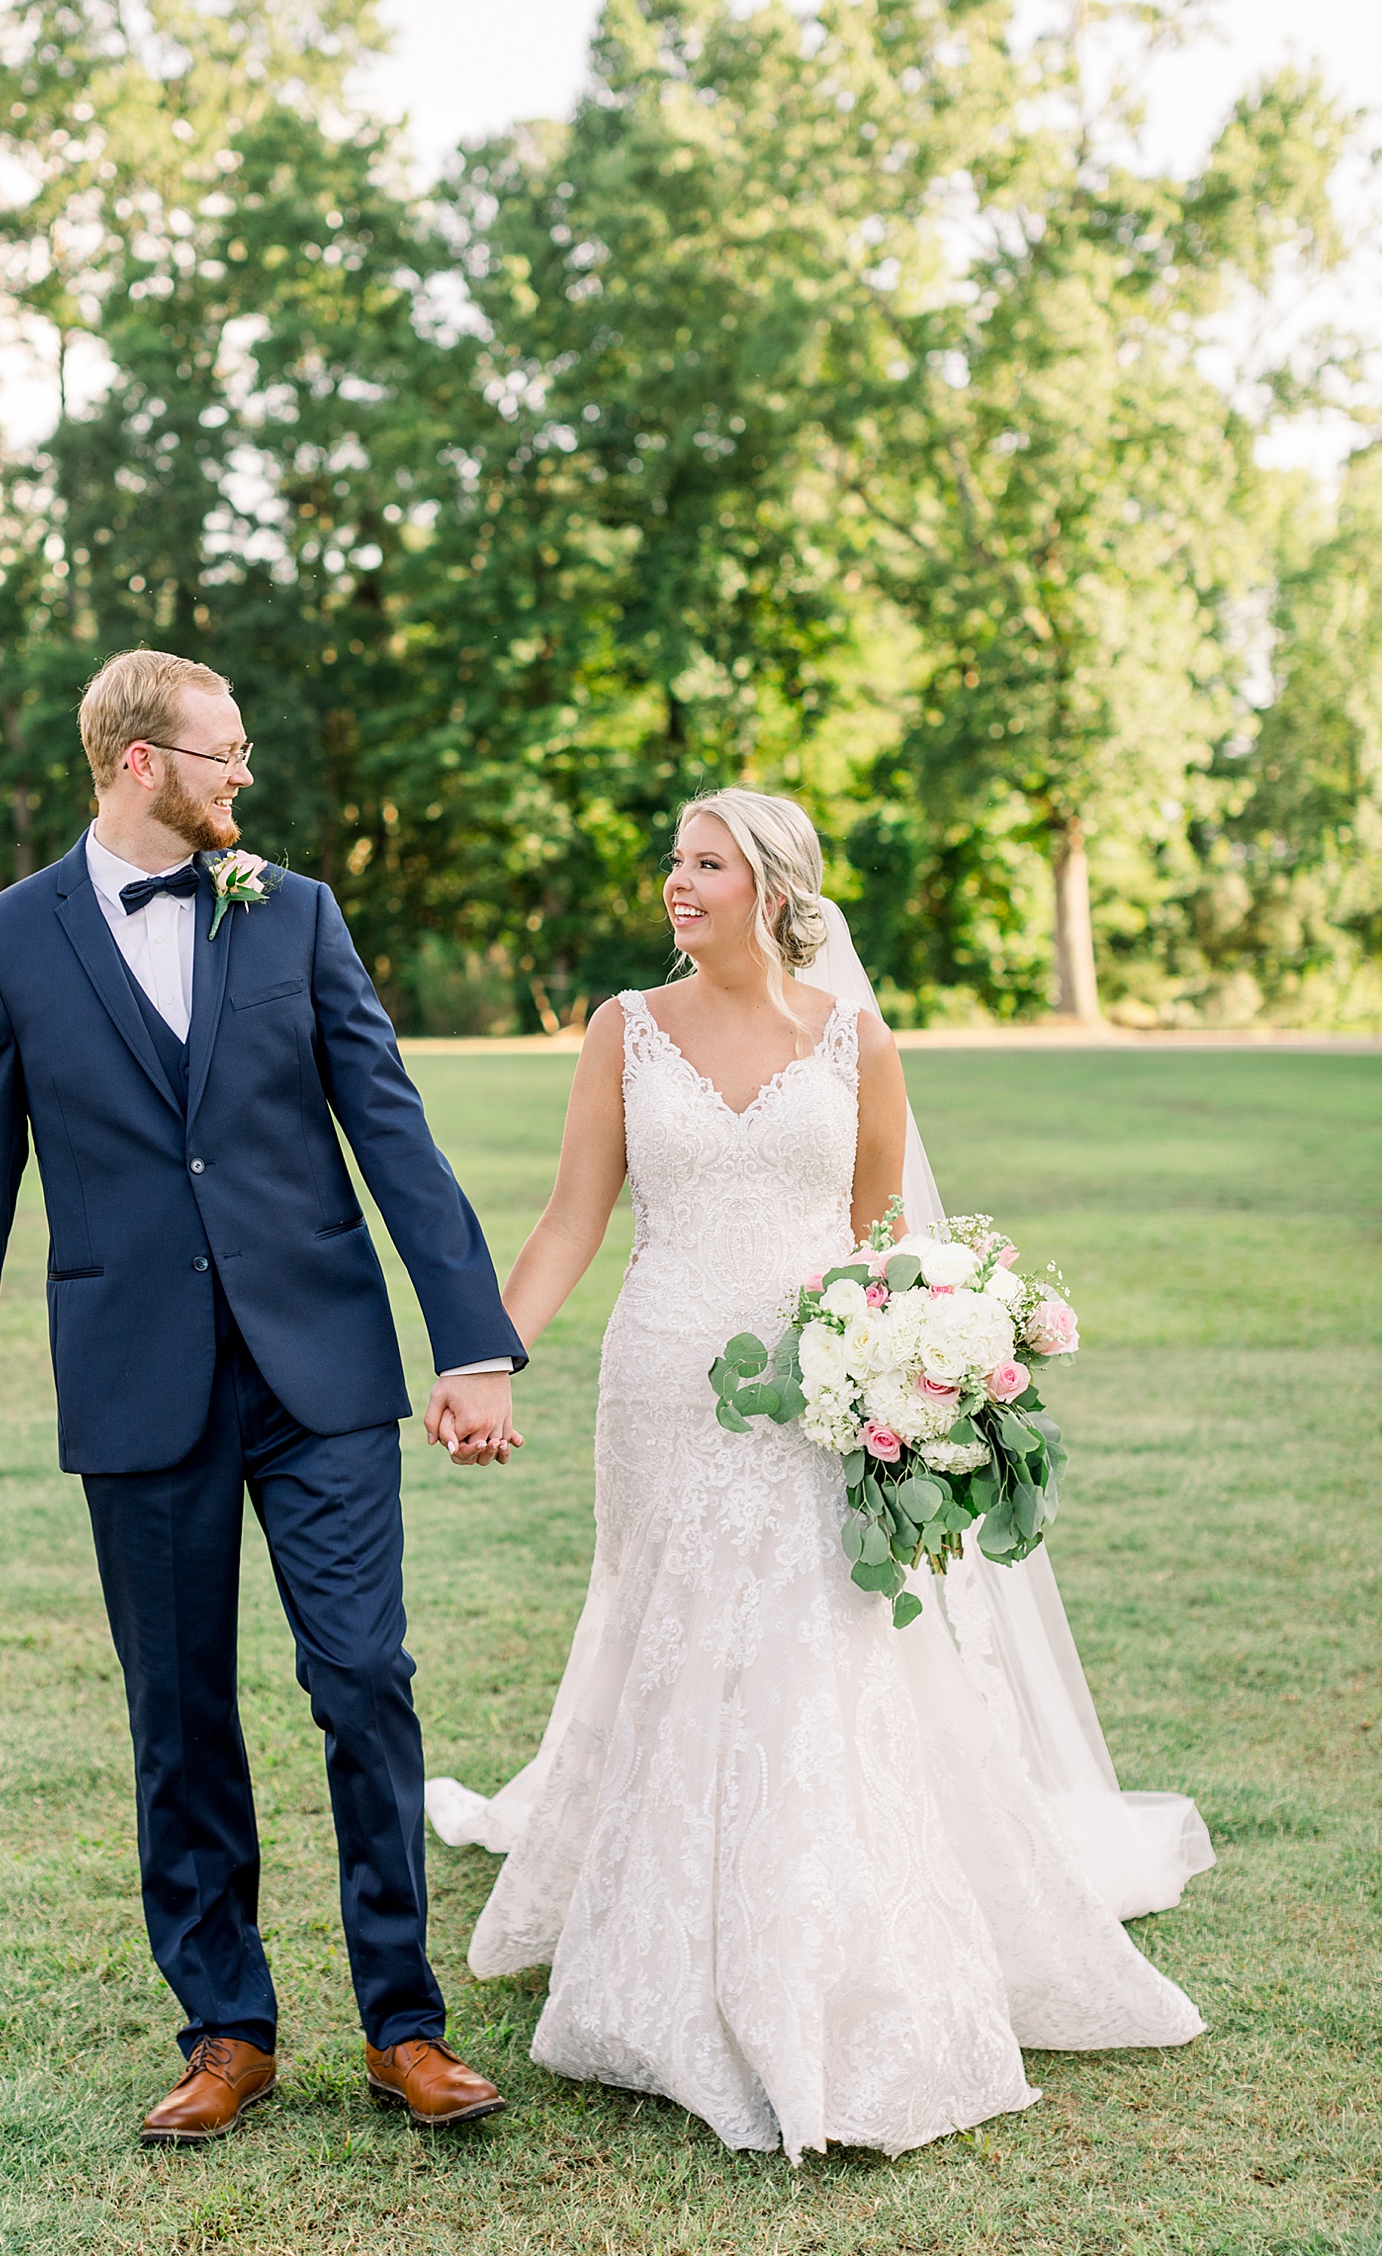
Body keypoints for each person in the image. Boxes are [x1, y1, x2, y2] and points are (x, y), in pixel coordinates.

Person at [427, 788, 1212, 2161]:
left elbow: (880, 1243)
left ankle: (817, 1934)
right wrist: (485, 1357)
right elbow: (570, 1220)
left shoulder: (856, 1039)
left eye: (707, 864)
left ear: (776, 892)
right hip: (662, 1385)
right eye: (674, 860)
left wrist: (908, 1368)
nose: (677, 883)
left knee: (813, 1642)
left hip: (812, 1391)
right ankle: (663, 1935)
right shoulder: (625, 1028)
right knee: (677, 1631)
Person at [0, 647, 525, 2142]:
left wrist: (472, 1339)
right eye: (222, 750)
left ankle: (404, 2025)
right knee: (178, 1714)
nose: (243, 772)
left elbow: (393, 1130)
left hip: (322, 1366)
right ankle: (228, 2030)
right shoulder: (4, 941)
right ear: (140, 761)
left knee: (363, 1677)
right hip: (137, 1379)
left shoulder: (294, 911)